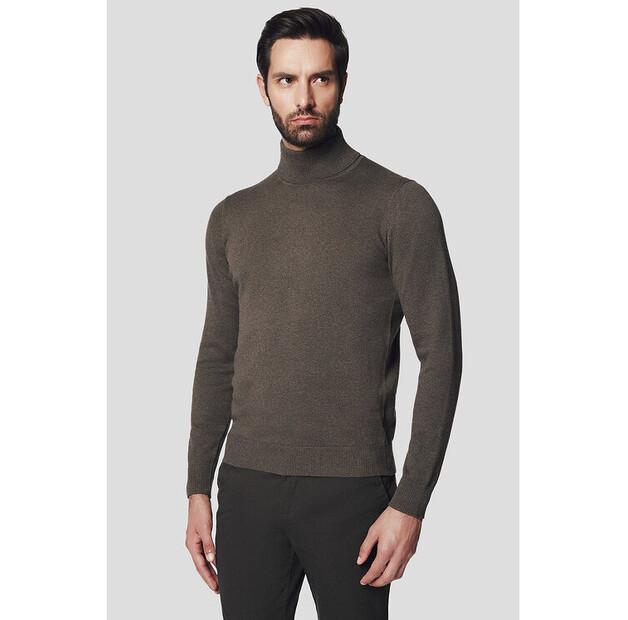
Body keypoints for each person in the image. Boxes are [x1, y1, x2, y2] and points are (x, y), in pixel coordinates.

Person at [184, 7, 463, 619]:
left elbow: (441, 355)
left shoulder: (400, 204)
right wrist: (198, 486)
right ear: (263, 87)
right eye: (286, 80)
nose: (304, 98)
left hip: (353, 493)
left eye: (321, 78)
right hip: (247, 486)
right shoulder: (231, 217)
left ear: (343, 82)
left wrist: (411, 501)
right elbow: (218, 356)